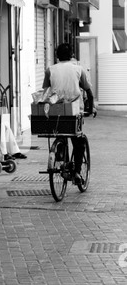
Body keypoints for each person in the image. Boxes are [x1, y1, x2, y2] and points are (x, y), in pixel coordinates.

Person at [42, 43, 96, 183]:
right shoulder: (78, 69)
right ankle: (77, 172)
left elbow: (45, 92)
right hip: (73, 111)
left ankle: (60, 155)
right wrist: (91, 108)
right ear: (72, 55)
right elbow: (88, 92)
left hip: (55, 111)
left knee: (60, 132)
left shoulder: (50, 70)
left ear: (57, 56)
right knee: (78, 142)